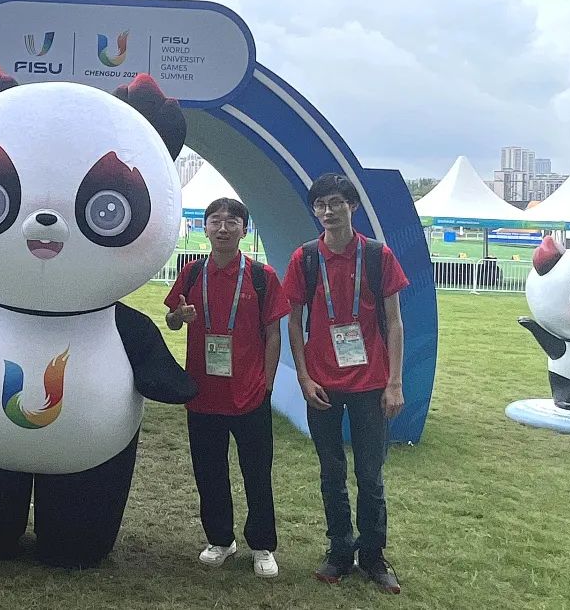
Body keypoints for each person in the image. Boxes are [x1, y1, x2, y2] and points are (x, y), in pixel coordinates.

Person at [281, 173, 408, 594]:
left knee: (370, 475)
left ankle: (373, 556)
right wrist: (303, 377)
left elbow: (394, 322)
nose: (328, 211)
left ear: (351, 206)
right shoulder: (305, 258)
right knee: (331, 472)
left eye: (336, 202)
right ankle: (339, 551)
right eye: (320, 205)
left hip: (371, 383)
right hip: (322, 385)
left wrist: (394, 383)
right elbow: (294, 323)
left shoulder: (376, 255)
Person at [164, 197, 289, 578]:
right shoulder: (191, 273)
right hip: (202, 393)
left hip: (249, 394)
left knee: (257, 472)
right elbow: (172, 321)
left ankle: (262, 545)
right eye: (215, 221)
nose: (223, 228)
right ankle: (220, 539)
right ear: (204, 228)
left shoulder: (262, 276)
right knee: (209, 471)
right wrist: (178, 316)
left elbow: (273, 334)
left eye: (231, 221)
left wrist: (267, 384)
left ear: (243, 230)